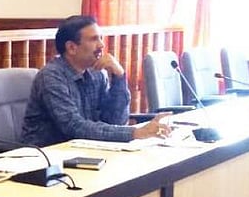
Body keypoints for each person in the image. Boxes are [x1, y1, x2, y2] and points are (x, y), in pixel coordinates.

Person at [21, 15, 170, 147]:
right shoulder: (51, 76)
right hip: (46, 160)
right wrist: (135, 133)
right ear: (72, 47)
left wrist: (119, 77)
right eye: (94, 39)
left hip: (84, 152)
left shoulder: (96, 73)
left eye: (100, 38)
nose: (101, 45)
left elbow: (115, 120)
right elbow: (74, 127)